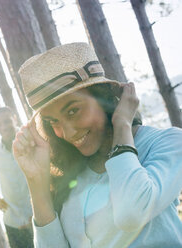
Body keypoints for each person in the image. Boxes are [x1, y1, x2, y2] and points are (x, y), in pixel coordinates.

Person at [12, 42, 182, 247]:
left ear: (104, 98)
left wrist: (122, 125)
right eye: (53, 121)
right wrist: (36, 181)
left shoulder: (166, 143)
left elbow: (131, 215)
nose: (67, 133)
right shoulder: (71, 173)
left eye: (73, 111)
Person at [0, 107, 34, 248]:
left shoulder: (31, 137)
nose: (3, 127)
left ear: (15, 118)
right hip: (13, 220)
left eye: (7, 121)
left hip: (40, 213)